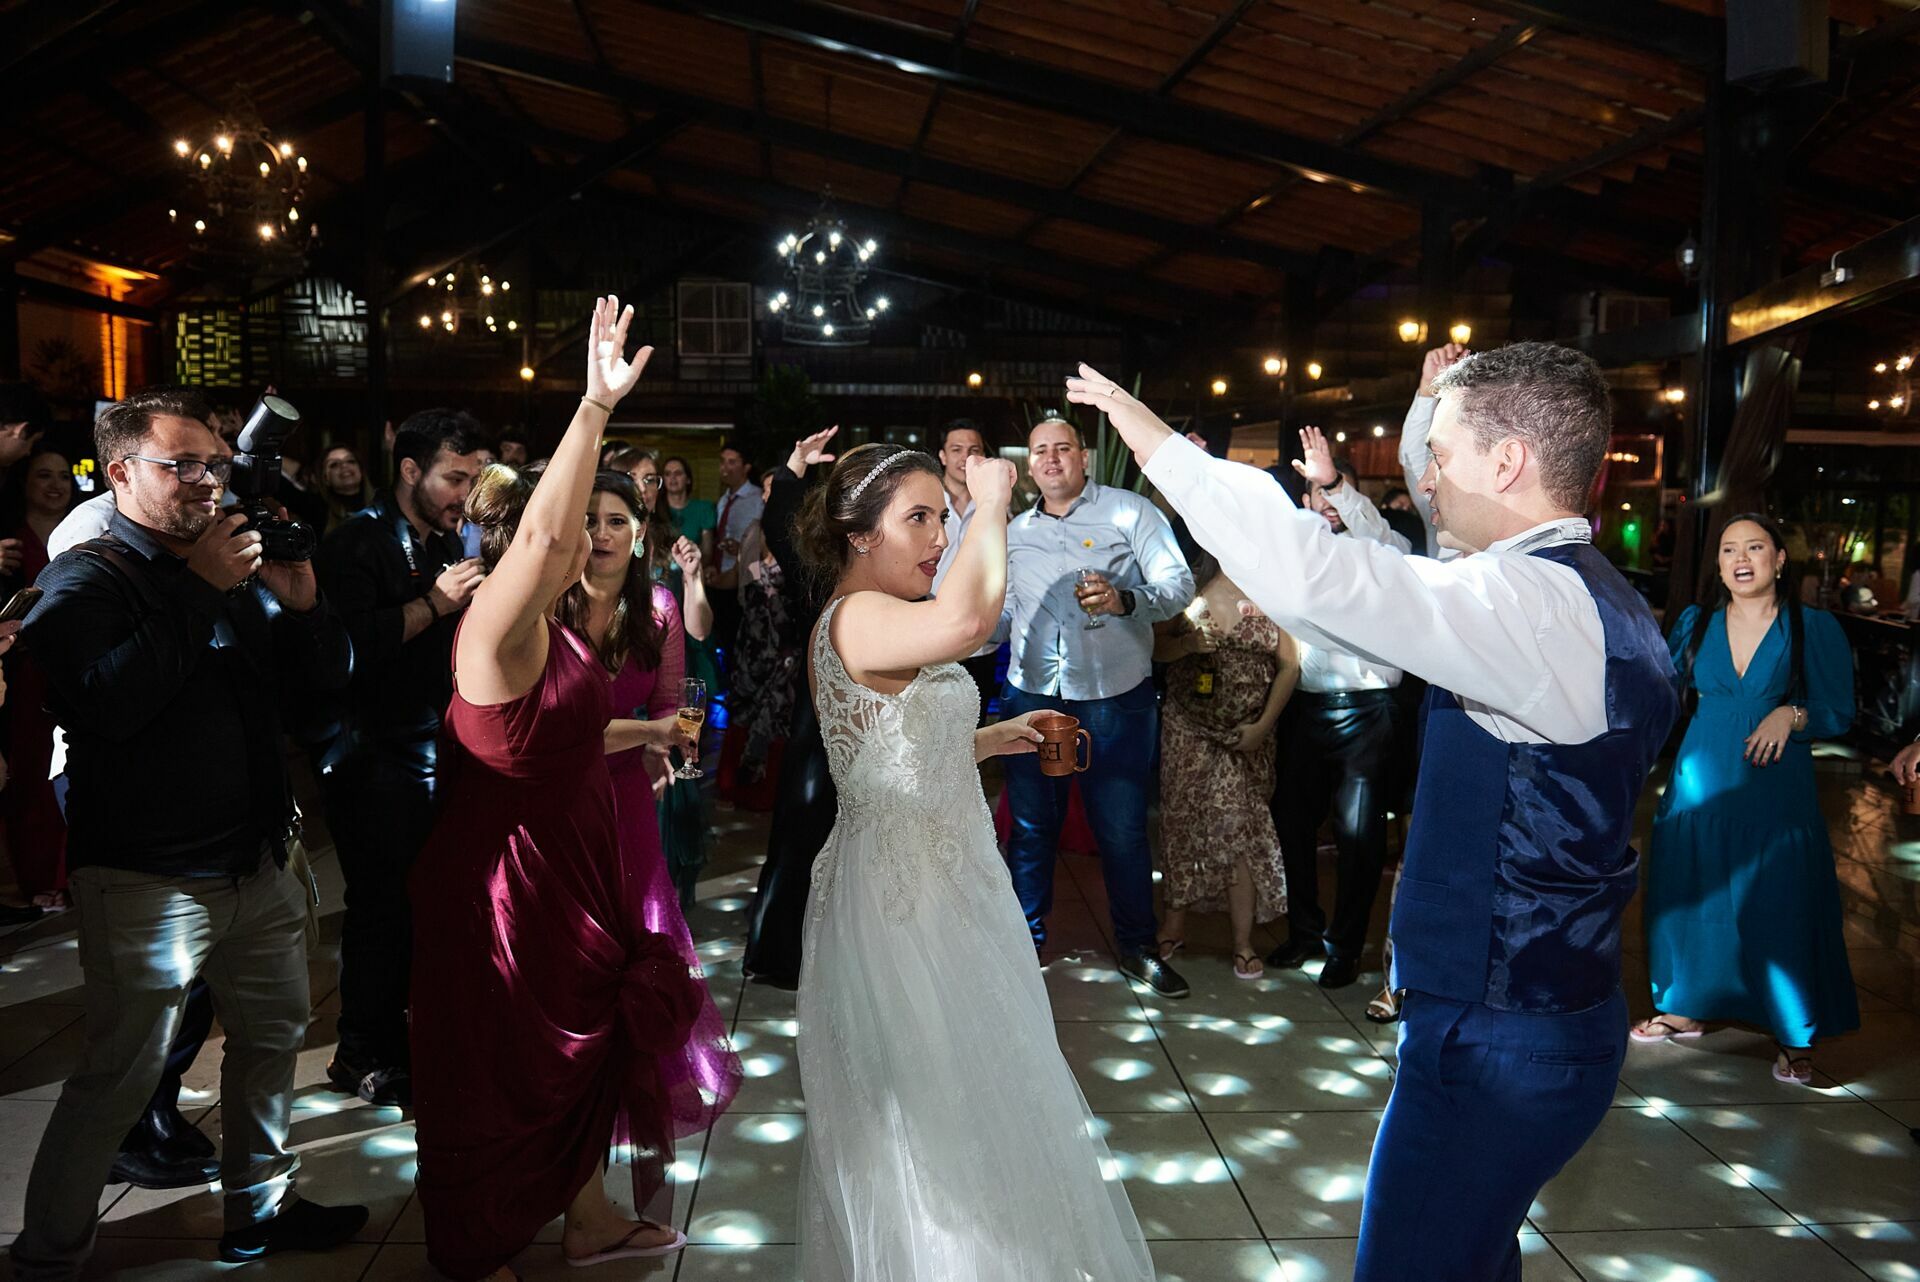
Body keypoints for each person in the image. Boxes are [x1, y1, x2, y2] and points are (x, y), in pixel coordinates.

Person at [1070, 342, 1678, 1282]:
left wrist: (1156, 445)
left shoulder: (1532, 605)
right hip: (1539, 1018)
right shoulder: (1584, 598)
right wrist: (1434, 403)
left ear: (1508, 462)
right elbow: (1387, 572)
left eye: (1441, 454)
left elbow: (1330, 578)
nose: (1427, 478)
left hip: (1498, 1034)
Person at [10, 387, 365, 1280]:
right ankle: (50, 1254)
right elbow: (109, 706)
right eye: (184, 466)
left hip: (255, 861)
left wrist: (307, 602)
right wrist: (198, 586)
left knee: (271, 1044)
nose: (210, 482)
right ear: (122, 470)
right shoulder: (86, 577)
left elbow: (322, 683)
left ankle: (260, 1212)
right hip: (148, 879)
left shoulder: (224, 564)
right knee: (120, 1077)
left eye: (215, 462)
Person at [793, 440, 1153, 1281]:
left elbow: (895, 741)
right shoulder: (855, 615)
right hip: (904, 902)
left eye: (943, 516)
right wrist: (992, 502)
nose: (937, 537)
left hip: (952, 880)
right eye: (918, 518)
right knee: (936, 1123)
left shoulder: (882, 615)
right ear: (858, 535)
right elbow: (969, 624)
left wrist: (991, 737)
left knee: (981, 1096)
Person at [409, 298, 704, 1282]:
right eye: (570, 525)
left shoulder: (568, 628)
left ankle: (584, 1219)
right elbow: (538, 547)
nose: (585, 538)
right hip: (505, 887)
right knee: (501, 1068)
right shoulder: (499, 632)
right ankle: (481, 1241)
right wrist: (591, 408)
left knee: (575, 1061)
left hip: (573, 873)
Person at [1634, 514, 1857, 1084]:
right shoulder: (1695, 622)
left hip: (1774, 789)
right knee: (1691, 895)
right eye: (1730, 548)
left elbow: (1839, 710)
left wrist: (1791, 712)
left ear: (1780, 559)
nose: (1742, 558)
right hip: (1699, 784)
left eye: (1755, 547)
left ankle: (1793, 1034)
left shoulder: (1812, 626)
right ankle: (1684, 1005)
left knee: (1779, 902)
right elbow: (1656, 694)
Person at [556, 469, 742, 1132]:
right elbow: (553, 727)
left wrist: (665, 750)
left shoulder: (659, 607)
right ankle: (567, 1067)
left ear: (640, 537)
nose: (601, 533)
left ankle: (629, 1068)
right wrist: (655, 734)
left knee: (638, 927)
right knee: (569, 934)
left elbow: (669, 703)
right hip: (556, 790)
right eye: (589, 520)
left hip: (630, 791)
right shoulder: (549, 604)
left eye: (615, 522)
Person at [314, 409, 488, 1105]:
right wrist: (435, 606)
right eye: (455, 477)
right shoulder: (357, 543)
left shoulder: (445, 544)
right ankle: (360, 1054)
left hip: (430, 750)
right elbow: (345, 648)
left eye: (474, 480)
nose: (465, 495)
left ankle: (407, 1041)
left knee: (421, 907)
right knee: (383, 908)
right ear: (410, 471)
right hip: (370, 757)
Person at [999, 412, 1194, 997]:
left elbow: (1177, 584)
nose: (1051, 459)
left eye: (1063, 448)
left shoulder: (1129, 512)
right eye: (1040, 451)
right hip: (1035, 695)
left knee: (1123, 830)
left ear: (1085, 457)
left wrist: (1124, 598)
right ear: (1028, 466)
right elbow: (1002, 610)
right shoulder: (1012, 532)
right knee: (1031, 829)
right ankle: (1023, 948)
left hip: (1114, 694)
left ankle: (1137, 947)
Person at [1268, 428, 1409, 990]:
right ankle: (1304, 931)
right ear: (1302, 502)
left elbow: (1380, 534)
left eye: (1331, 492)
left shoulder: (1381, 548)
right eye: (1315, 494)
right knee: (1292, 822)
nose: (1323, 504)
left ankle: (1345, 946)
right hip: (1304, 706)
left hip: (1369, 710)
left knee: (1358, 834)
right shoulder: (1297, 551)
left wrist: (1336, 483)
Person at [1154, 550, 1297, 978]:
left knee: (1239, 827)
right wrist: (1187, 644)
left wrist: (1262, 726)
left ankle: (1242, 941)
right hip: (1187, 723)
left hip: (1246, 735)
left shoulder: (1277, 591)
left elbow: (1290, 665)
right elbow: (1157, 648)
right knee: (1181, 822)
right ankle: (1174, 924)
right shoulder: (1189, 585)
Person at [741, 426, 842, 989]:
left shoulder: (905, 581)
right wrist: (793, 469)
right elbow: (780, 522)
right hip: (821, 729)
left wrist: (794, 468)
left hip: (851, 733)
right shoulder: (823, 573)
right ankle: (783, 953)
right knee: (807, 833)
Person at [1, 448, 77, 908]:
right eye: (44, 475)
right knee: (30, 779)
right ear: (25, 483)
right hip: (23, 676)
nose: (55, 484)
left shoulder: (84, 532)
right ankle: (38, 880)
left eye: (64, 476)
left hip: (70, 670)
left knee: (74, 772)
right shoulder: (10, 542)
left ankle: (70, 875)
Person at [931, 418, 1001, 715]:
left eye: (973, 449)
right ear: (943, 456)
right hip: (931, 631)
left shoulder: (996, 505)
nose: (965, 457)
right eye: (956, 449)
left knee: (975, 725)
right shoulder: (927, 501)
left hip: (980, 639)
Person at [709, 443, 763, 666]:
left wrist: (742, 548)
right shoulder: (723, 500)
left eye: (732, 462)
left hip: (746, 581)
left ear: (746, 466)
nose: (725, 467)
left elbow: (762, 540)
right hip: (721, 579)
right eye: (723, 461)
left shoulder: (758, 498)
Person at [320, 444, 374, 532]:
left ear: (360, 470)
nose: (344, 466)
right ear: (326, 478)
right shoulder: (319, 513)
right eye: (334, 464)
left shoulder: (384, 505)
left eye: (350, 461)